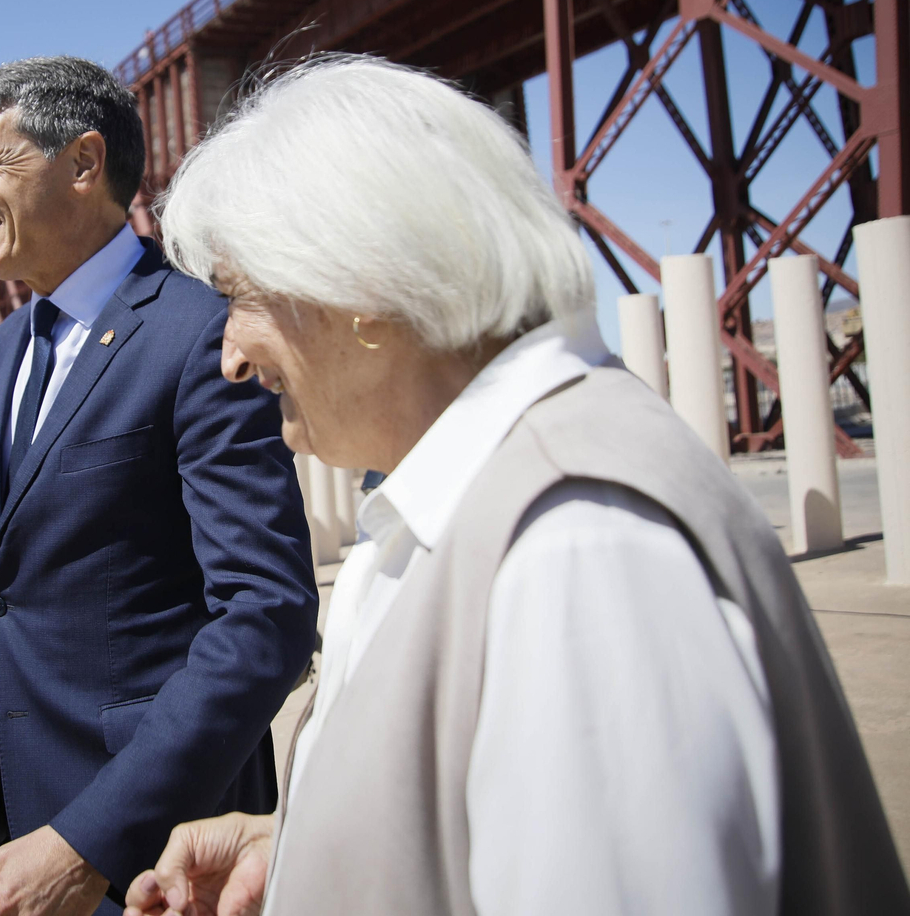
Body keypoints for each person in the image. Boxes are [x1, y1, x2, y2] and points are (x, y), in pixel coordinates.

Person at [126, 56, 909, 916]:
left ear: (359, 287)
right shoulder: (481, 500)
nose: (230, 356)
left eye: (238, 298)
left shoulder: (575, 546)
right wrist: (304, 841)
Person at [0, 57, 319, 916]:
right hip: (19, 817)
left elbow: (267, 617)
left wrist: (90, 841)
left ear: (81, 164)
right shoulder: (4, 350)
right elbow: (5, 596)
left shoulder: (196, 332)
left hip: (155, 847)